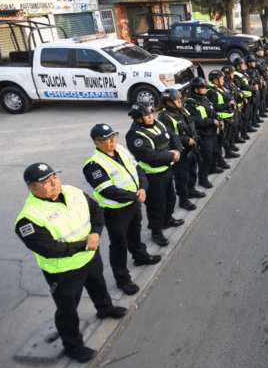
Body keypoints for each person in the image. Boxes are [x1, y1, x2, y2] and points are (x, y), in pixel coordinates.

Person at [15, 163, 127, 363]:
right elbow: (48, 249)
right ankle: (73, 347)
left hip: (90, 257)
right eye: (46, 182)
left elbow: (96, 212)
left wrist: (95, 233)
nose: (54, 183)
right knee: (67, 310)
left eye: (55, 177)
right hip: (64, 271)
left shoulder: (73, 192)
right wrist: (84, 244)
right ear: (32, 188)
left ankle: (105, 309)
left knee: (99, 286)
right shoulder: (29, 218)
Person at [83, 124, 161, 296]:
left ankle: (140, 256)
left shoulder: (120, 149)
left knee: (135, 232)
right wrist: (135, 196)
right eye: (107, 140)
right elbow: (107, 190)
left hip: (134, 203)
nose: (112, 142)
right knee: (119, 245)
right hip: (116, 211)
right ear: (97, 142)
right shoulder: (94, 165)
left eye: (113, 137)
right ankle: (122, 279)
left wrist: (143, 188)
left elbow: (138, 168)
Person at [125, 103, 183, 247]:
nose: (150, 118)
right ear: (138, 118)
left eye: (151, 114)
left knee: (171, 198)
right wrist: (171, 155)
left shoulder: (159, 124)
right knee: (156, 205)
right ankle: (156, 231)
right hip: (153, 175)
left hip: (167, 170)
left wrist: (177, 150)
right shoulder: (135, 135)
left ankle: (168, 219)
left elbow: (173, 136)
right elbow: (150, 156)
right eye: (146, 116)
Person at [159, 89, 205, 212]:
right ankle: (183, 200)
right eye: (176, 99)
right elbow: (169, 136)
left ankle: (191, 191)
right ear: (168, 102)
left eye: (179, 98)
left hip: (192, 148)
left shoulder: (182, 110)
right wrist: (186, 140)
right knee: (182, 177)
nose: (180, 100)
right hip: (181, 152)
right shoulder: (164, 117)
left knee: (192, 172)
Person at [185, 77, 227, 188]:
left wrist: (219, 120)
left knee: (215, 152)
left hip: (211, 132)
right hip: (203, 135)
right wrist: (212, 121)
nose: (205, 89)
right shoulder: (190, 104)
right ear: (196, 89)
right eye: (202, 88)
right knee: (205, 157)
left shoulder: (204, 99)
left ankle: (212, 167)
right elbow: (196, 121)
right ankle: (203, 179)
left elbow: (213, 111)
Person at [207, 70, 241, 160]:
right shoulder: (211, 91)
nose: (223, 81)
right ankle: (221, 159)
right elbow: (213, 106)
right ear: (215, 80)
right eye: (221, 79)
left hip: (229, 116)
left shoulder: (221, 87)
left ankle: (228, 151)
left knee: (229, 137)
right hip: (222, 118)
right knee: (222, 140)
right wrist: (227, 105)